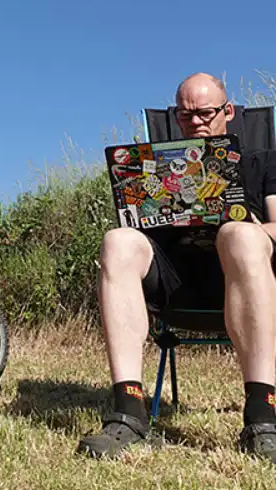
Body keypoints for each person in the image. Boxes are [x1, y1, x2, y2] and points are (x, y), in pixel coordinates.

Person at [78, 72, 276, 461]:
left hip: (244, 279)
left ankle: (262, 417)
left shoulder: (264, 162)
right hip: (174, 281)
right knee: (117, 241)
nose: (196, 122)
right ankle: (129, 413)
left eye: (205, 112)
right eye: (185, 116)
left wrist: (249, 224)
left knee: (238, 235)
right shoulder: (158, 167)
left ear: (229, 111)